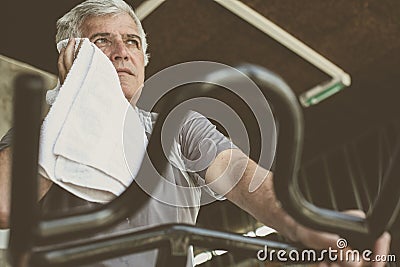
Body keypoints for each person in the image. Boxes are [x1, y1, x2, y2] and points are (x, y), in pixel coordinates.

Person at [0, 0, 391, 266]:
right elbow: (3, 205)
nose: (122, 51)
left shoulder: (176, 123)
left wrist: (308, 223)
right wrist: (76, 103)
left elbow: (239, 175)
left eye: (132, 42)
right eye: (102, 40)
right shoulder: (41, 132)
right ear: (73, 53)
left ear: (144, 60)